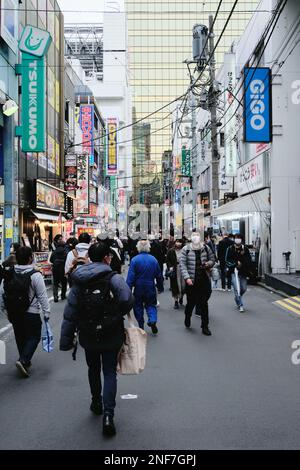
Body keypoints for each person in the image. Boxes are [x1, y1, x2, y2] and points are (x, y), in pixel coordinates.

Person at [60, 242, 133, 436]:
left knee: (93, 368)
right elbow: (127, 298)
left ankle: (96, 402)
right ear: (107, 258)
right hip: (110, 332)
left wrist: (66, 339)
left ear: (90, 257)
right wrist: (116, 314)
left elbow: (70, 312)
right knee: (109, 372)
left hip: (88, 331)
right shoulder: (113, 277)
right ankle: (109, 415)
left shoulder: (80, 279)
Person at [0, 246, 50, 377]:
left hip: (14, 312)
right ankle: (23, 360)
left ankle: (25, 361)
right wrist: (46, 312)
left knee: (20, 336)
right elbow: (42, 296)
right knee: (34, 336)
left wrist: (4, 309)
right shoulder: (35, 275)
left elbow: (2, 291)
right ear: (30, 258)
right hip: (31, 312)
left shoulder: (10, 272)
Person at [180, 232, 215, 335]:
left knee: (204, 303)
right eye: (194, 235)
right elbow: (182, 265)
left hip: (203, 279)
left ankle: (205, 326)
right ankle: (187, 316)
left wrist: (208, 263)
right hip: (191, 281)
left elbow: (212, 259)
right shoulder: (185, 249)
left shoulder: (205, 248)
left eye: (197, 235)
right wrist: (187, 278)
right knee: (191, 302)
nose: (196, 237)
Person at [126, 239, 164, 334]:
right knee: (151, 304)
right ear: (148, 247)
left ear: (138, 248)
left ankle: (141, 325)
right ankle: (152, 319)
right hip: (150, 285)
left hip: (138, 287)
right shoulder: (153, 259)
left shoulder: (134, 260)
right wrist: (160, 287)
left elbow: (130, 277)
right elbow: (159, 275)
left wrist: (128, 290)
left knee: (138, 306)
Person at [225, 234, 252, 312]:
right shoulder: (230, 248)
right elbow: (227, 260)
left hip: (243, 272)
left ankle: (237, 297)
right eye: (236, 238)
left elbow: (249, 259)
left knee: (243, 288)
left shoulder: (245, 249)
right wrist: (236, 263)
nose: (238, 239)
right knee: (237, 289)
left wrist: (243, 262)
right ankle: (240, 305)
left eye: (239, 238)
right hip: (234, 272)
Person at [166, 239, 185, 309]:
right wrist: (170, 267)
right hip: (174, 269)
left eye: (180, 242)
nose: (179, 243)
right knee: (175, 285)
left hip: (183, 269)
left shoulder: (185, 250)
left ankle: (181, 297)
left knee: (183, 285)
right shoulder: (171, 251)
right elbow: (167, 260)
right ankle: (176, 301)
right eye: (177, 242)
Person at [49, 234, 67, 302]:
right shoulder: (65, 252)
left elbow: (51, 260)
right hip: (63, 268)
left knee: (55, 283)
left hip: (55, 268)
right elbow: (67, 260)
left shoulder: (54, 252)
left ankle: (55, 296)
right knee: (64, 282)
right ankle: (63, 295)